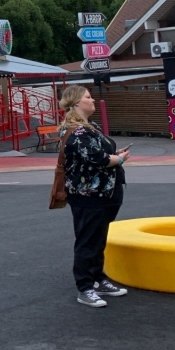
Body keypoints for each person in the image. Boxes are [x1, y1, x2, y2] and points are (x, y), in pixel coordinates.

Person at [60, 85, 130, 308]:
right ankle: (85, 287)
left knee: (98, 237)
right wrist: (118, 159)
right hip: (88, 194)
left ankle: (98, 279)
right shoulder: (76, 131)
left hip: (105, 191)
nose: (92, 100)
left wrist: (114, 156)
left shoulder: (91, 127)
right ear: (77, 103)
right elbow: (98, 159)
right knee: (88, 240)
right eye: (88, 97)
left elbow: (99, 155)